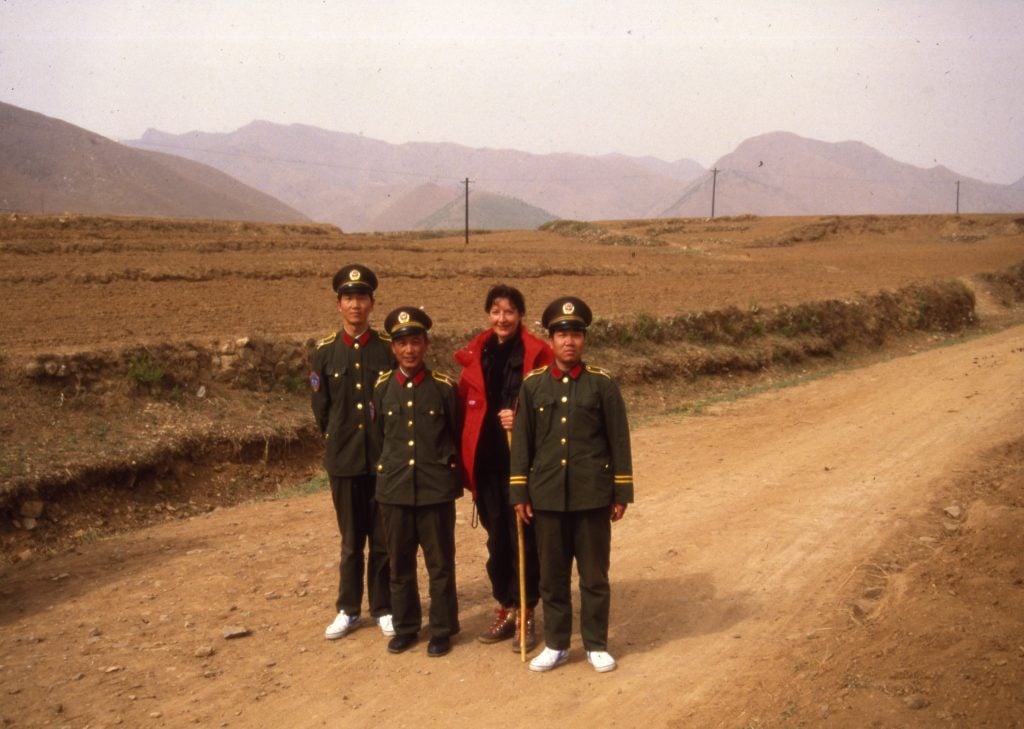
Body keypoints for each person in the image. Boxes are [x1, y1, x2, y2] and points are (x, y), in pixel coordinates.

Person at [509, 296, 634, 674]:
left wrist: (621, 491)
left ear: (583, 339)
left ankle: (596, 643)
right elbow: (523, 443)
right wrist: (519, 492)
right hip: (546, 496)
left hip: (591, 496)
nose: (569, 341)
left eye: (576, 334)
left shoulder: (602, 385)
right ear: (551, 339)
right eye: (562, 334)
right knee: (553, 576)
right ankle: (558, 644)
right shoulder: (533, 387)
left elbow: (619, 439)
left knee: (594, 575)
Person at [454, 284, 553, 651]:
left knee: (523, 539)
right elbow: (463, 411)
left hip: (524, 463)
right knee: (496, 538)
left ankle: (527, 611)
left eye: (509, 311)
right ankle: (506, 606)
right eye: (495, 311)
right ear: (488, 315)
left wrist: (523, 417)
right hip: (488, 464)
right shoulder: (475, 356)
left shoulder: (539, 356)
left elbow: (552, 409)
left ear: (520, 316)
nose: (502, 318)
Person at [310, 264, 394, 641]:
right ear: (338, 304)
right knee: (350, 541)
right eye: (348, 298)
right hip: (344, 461)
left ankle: (384, 608)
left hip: (381, 460)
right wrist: (340, 441)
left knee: (382, 539)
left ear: (372, 303)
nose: (355, 305)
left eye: (362, 298)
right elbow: (321, 409)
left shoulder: (387, 350)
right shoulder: (324, 353)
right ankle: (348, 609)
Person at [373, 306, 463, 657]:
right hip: (395, 489)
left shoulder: (443, 388)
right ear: (393, 349)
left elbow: (453, 434)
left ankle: (442, 629)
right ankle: (406, 626)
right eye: (402, 344)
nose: (409, 350)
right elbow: (380, 439)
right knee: (400, 563)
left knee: (440, 564)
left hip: (434, 489)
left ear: (426, 345)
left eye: (415, 342)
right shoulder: (382, 389)